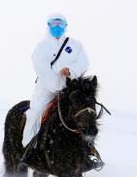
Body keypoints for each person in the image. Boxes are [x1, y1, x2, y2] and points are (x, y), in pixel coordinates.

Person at [21, 14, 90, 151]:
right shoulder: (42, 46)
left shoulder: (75, 45)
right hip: (46, 89)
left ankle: (87, 149)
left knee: (86, 112)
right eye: (54, 24)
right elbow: (42, 69)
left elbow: (84, 62)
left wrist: (70, 70)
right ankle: (29, 147)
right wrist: (56, 86)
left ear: (65, 26)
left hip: (70, 87)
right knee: (35, 112)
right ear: (48, 26)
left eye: (60, 24)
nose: (57, 27)